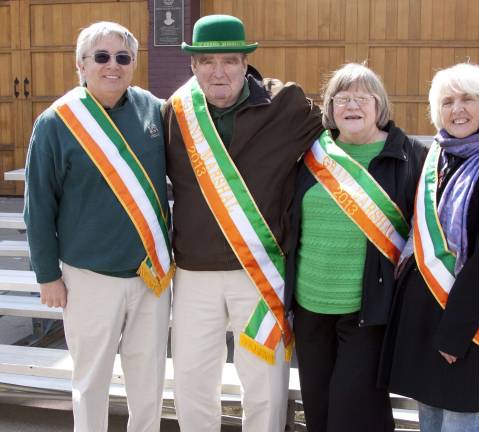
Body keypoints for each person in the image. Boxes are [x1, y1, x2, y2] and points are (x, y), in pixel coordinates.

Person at [163, 14, 323, 432]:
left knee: (265, 384)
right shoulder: (174, 113)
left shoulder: (286, 104)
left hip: (259, 273)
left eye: (230, 61)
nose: (220, 72)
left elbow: (352, 133)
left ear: (246, 63)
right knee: (193, 383)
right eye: (208, 62)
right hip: (194, 273)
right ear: (193, 66)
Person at [24, 21, 173, 432]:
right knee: (91, 381)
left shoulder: (152, 109)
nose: (113, 66)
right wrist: (47, 275)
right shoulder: (57, 122)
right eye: (101, 57)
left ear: (133, 64)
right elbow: (37, 205)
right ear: (81, 65)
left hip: (151, 275)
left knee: (150, 379)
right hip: (87, 276)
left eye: (123, 57)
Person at [380, 63, 479, 432]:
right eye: (448, 101)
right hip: (424, 308)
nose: (458, 110)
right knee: (429, 413)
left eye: (468, 99)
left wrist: (456, 331)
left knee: (458, 417)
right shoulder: (439, 153)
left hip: (466, 313)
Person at [283, 63, 426, 432]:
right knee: (318, 408)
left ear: (380, 105)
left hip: (368, 309)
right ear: (330, 109)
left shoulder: (411, 156)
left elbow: (436, 219)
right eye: (342, 98)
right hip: (310, 306)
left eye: (362, 98)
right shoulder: (310, 155)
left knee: (355, 411)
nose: (352, 106)